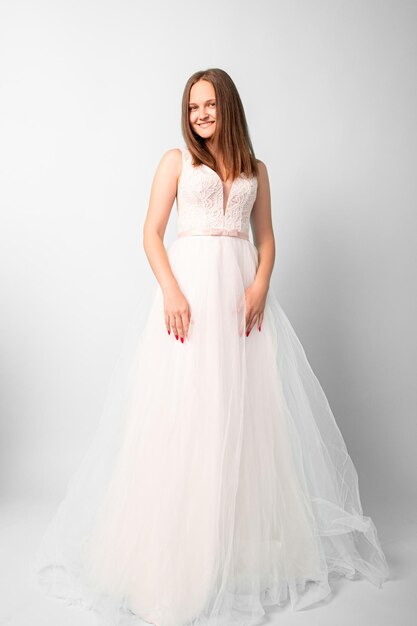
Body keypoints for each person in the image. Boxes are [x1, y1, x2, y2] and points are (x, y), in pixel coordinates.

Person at [34, 68, 389, 626]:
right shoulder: (177, 161)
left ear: (228, 106)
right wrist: (172, 291)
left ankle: (242, 554)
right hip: (192, 296)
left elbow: (266, 239)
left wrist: (259, 286)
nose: (200, 115)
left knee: (246, 418)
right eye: (192, 107)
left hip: (241, 301)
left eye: (209, 106)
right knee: (186, 415)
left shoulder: (256, 170)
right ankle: (178, 558)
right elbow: (151, 232)